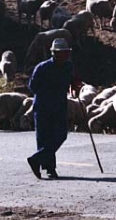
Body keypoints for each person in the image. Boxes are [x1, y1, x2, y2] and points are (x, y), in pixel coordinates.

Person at [27, 38, 82, 179]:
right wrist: (49, 92)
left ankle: (37, 159)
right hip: (43, 107)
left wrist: (75, 84)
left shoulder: (68, 66)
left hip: (59, 106)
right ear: (55, 53)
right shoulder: (42, 68)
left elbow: (71, 79)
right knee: (44, 138)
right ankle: (50, 169)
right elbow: (32, 87)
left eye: (67, 52)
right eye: (64, 52)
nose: (67, 55)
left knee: (60, 135)